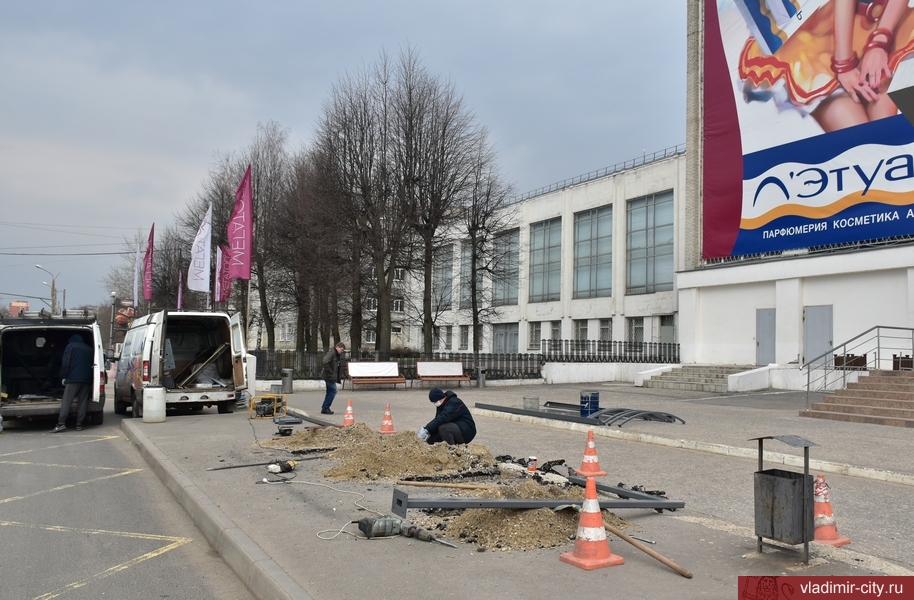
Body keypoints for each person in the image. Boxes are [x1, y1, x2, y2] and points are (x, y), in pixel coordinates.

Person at [50, 334, 94, 433]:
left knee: (67, 401)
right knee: (83, 402)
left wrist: (63, 376)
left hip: (73, 379)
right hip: (86, 379)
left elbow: (66, 362)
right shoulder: (89, 349)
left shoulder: (71, 347)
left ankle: (61, 424)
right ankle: (79, 424)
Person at [320, 342, 346, 415]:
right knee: (334, 390)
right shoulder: (332, 353)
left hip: (330, 376)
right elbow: (325, 362)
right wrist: (330, 372)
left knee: (329, 392)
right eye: (341, 349)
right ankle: (326, 407)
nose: (342, 351)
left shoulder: (336, 354)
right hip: (329, 376)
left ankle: (325, 408)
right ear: (337, 347)